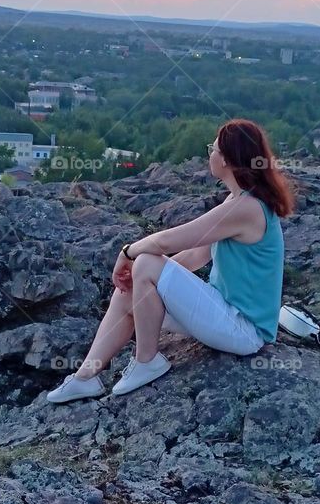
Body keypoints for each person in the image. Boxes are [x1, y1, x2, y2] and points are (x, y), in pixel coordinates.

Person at [47, 117, 297, 402]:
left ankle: (147, 361)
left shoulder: (247, 208)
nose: (209, 155)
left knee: (146, 262)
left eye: (212, 150)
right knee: (129, 291)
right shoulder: (237, 201)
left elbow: (170, 240)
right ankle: (85, 377)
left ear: (228, 159)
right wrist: (149, 283)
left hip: (245, 331)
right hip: (224, 317)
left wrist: (127, 253)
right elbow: (196, 254)